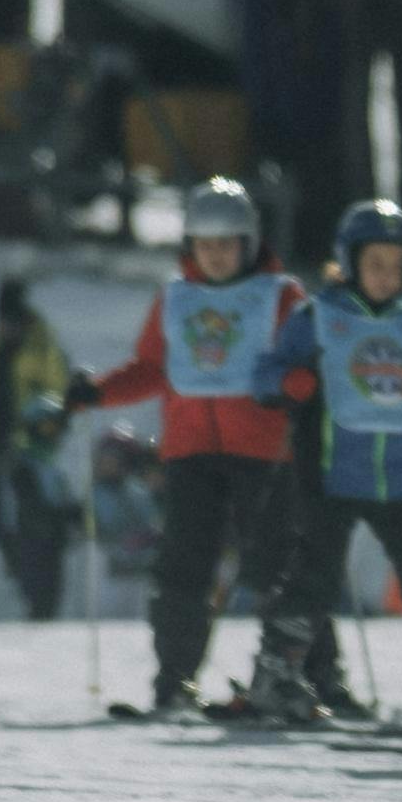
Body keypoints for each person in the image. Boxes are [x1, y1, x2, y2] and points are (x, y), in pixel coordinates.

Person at [70, 177, 306, 714]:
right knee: (183, 569)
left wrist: (301, 388)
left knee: (277, 566)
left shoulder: (280, 295)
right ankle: (175, 681)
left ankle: (306, 678)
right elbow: (153, 368)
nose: (217, 256)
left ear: (248, 243)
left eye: (227, 244)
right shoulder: (175, 297)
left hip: (263, 452)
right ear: (190, 246)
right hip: (191, 452)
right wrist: (98, 392)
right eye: (206, 244)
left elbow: (305, 362)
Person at [245, 202, 402, 722]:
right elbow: (266, 374)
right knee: (314, 574)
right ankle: (277, 672)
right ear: (349, 262)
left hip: (398, 478)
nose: (387, 276)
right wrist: (291, 382)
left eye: (396, 265)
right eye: (375, 263)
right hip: (331, 471)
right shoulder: (319, 317)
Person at [0, 277, 76, 618]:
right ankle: (15, 566)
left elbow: (56, 388)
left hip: (31, 440)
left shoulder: (41, 344)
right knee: (1, 509)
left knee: (32, 508)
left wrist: (45, 423)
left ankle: (36, 587)